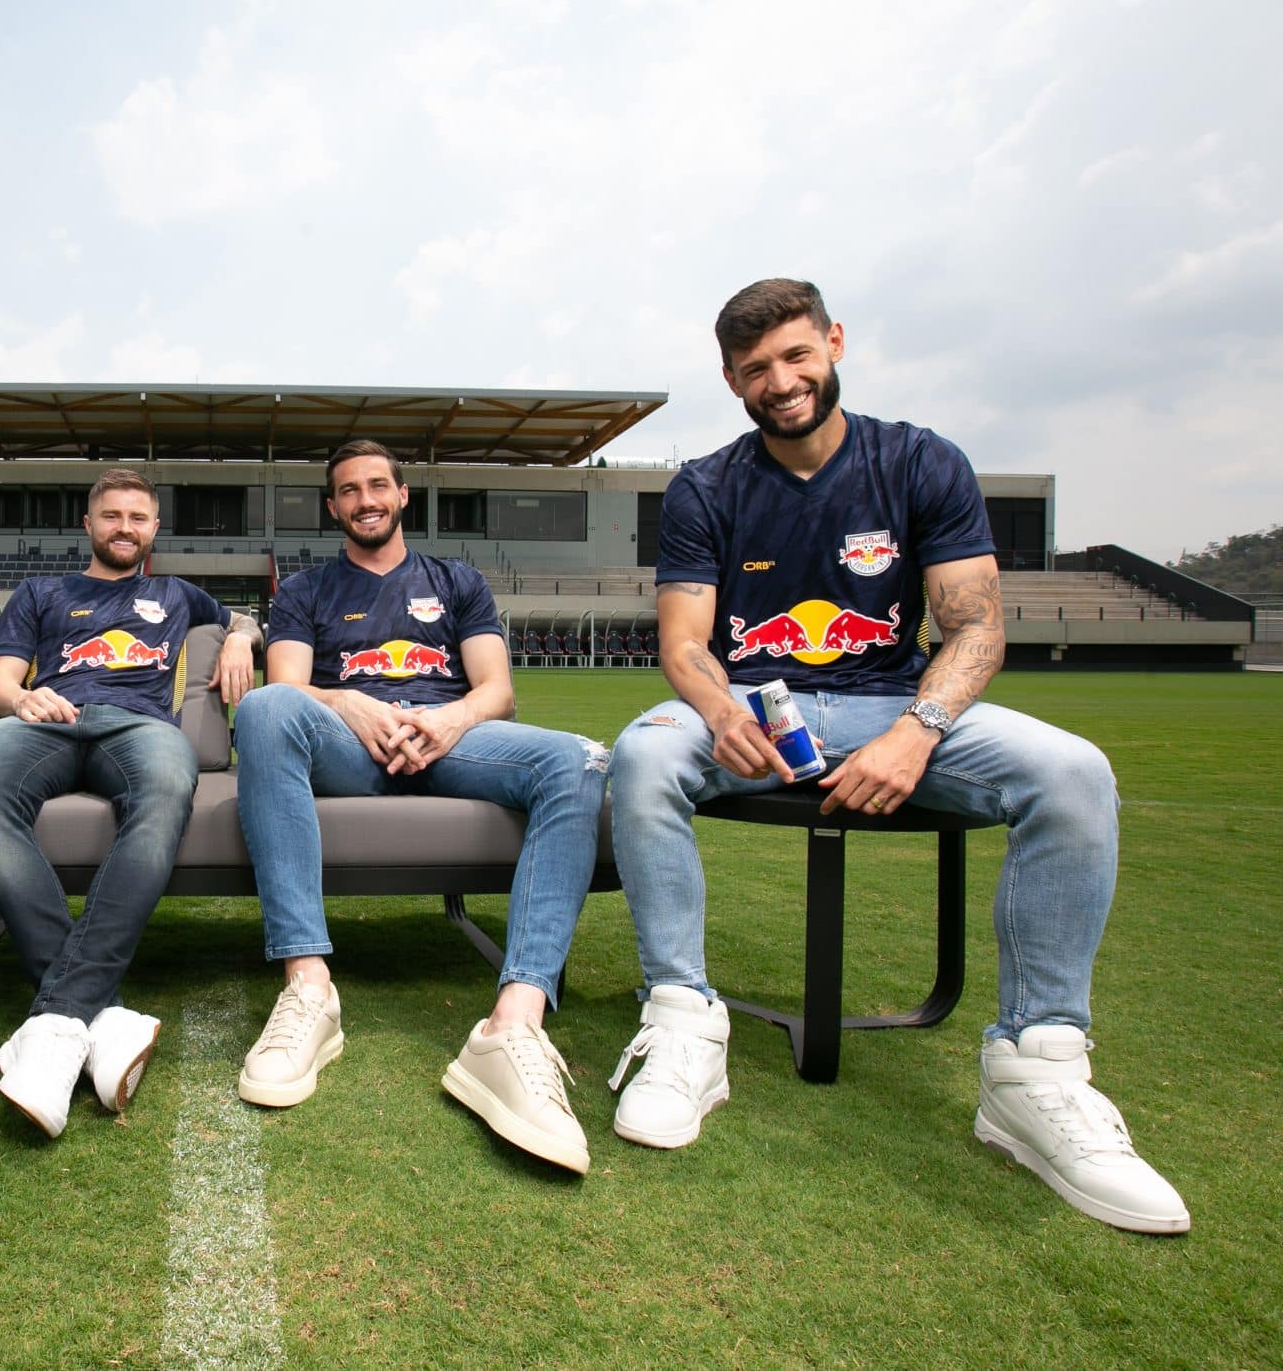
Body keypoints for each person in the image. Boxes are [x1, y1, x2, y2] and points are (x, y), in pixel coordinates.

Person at [604, 278, 1189, 1234]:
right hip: (756, 702)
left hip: (894, 702)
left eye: (796, 356)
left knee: (1074, 772)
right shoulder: (706, 485)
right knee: (643, 754)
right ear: (732, 380)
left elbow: (978, 629)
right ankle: (681, 1021)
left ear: (834, 342)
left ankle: (1035, 1070)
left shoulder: (918, 461)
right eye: (756, 369)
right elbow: (683, 641)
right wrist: (716, 707)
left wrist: (916, 731)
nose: (780, 382)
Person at [231, 440, 610, 1174]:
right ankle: (309, 989)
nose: (365, 500)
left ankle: (514, 1023)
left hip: (451, 743)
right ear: (333, 506)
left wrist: (449, 721)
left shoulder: (457, 581)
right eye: (348, 490)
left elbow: (497, 690)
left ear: (403, 495)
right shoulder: (306, 589)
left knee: (577, 757)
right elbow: (287, 686)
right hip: (350, 747)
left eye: (378, 485)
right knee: (266, 709)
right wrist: (348, 702)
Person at [0, 469, 260, 1137]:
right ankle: (99, 1013)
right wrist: (21, 698)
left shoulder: (175, 593)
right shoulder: (41, 592)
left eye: (138, 517)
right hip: (48, 719)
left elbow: (244, 617)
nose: (125, 527)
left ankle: (57, 1019)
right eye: (113, 515)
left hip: (139, 729)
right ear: (89, 524)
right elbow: (1, 679)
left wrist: (241, 635)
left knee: (168, 788)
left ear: (155, 529)